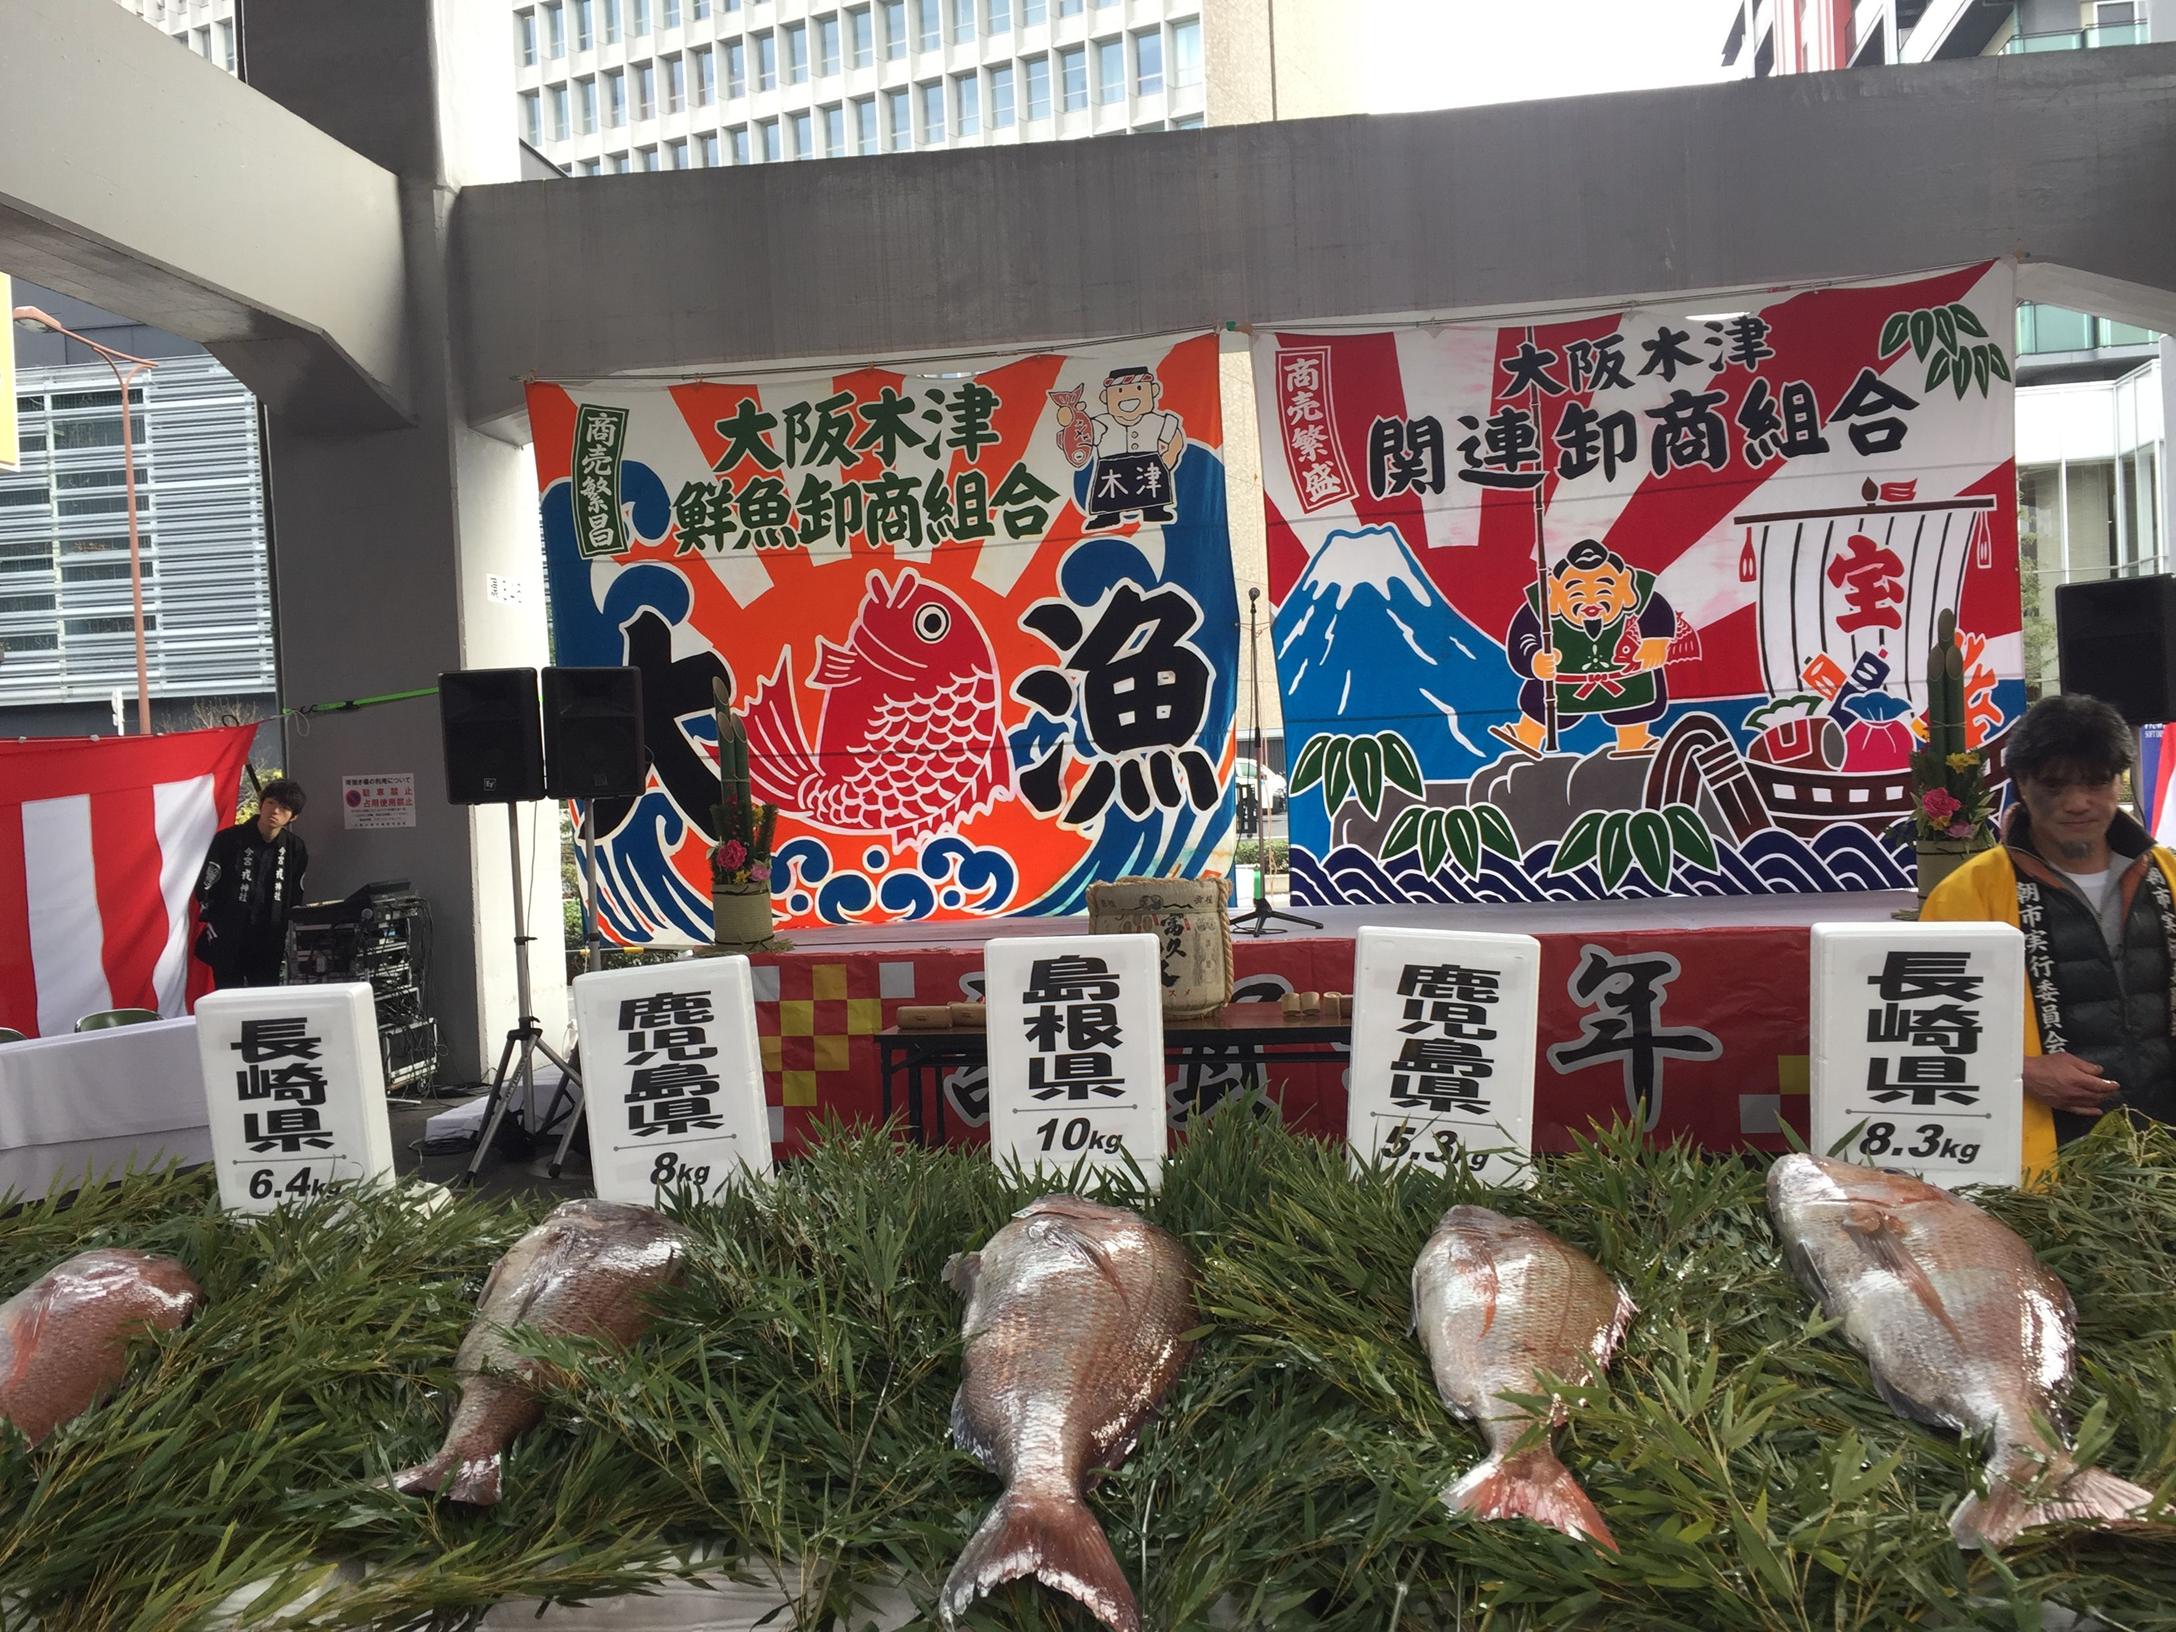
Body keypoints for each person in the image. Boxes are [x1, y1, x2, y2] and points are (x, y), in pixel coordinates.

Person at [1922, 694, 2176, 1181]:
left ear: (2119, 780)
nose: (2077, 803)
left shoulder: (2167, 874)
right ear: (2021, 783)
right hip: (2045, 1169)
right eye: (2053, 785)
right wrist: (2018, 1070)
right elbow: (1926, 1035)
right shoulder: (1967, 893)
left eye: (2096, 782)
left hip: (2164, 1149)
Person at [193, 778, 309, 988]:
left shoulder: (295, 847)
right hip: (229, 932)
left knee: (264, 996)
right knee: (227, 994)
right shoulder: (228, 839)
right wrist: (214, 919)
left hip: (269, 935)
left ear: (293, 817)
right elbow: (208, 882)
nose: (275, 811)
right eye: (271, 803)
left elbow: (295, 893)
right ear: (261, 804)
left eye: (284, 808)